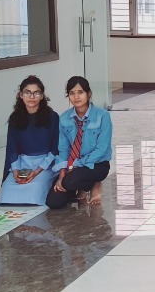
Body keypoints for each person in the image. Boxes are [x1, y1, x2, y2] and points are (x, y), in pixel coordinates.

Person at [47, 77, 112, 210]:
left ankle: (95, 183)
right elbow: (63, 149)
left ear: (88, 94)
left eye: (80, 92)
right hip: (72, 166)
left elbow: (102, 148)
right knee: (53, 202)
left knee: (70, 181)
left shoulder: (102, 116)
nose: (76, 97)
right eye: (71, 93)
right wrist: (62, 174)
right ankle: (82, 186)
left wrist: (78, 164)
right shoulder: (64, 118)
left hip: (97, 164)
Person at [0, 76, 60, 206]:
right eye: (27, 92)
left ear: (42, 96)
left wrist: (36, 172)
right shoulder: (15, 118)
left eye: (36, 93)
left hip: (45, 165)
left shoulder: (52, 117)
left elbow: (55, 148)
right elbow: (12, 147)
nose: (31, 96)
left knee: (35, 189)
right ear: (20, 95)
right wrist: (15, 172)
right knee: (7, 192)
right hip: (22, 163)